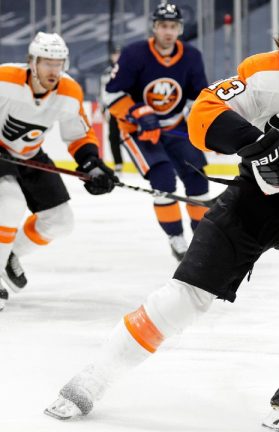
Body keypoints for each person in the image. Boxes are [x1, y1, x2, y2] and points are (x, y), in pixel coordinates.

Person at [45, 4, 279, 432]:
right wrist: (257, 143)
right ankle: (94, 376)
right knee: (184, 298)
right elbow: (203, 115)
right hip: (252, 200)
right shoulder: (262, 73)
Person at [0, 32, 116, 311]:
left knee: (60, 221)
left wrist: (92, 164)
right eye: (47, 62)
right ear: (32, 61)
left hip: (29, 156)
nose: (54, 70)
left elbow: (78, 136)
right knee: (10, 204)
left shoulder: (68, 92)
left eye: (59, 63)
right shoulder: (5, 79)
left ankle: (7, 255)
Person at [103, 2, 210, 261]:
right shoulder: (134, 54)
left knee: (198, 178)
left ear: (180, 29)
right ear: (154, 27)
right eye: (163, 26)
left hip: (175, 127)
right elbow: (112, 93)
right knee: (163, 180)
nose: (168, 32)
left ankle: (205, 237)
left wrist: (204, 123)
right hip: (138, 130)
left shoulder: (192, 56)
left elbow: (201, 96)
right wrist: (138, 112)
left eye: (173, 26)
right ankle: (176, 236)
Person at [99, 44, 124, 174]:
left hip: (127, 109)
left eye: (119, 54)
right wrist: (103, 108)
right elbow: (103, 92)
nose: (117, 56)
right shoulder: (106, 72)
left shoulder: (128, 70)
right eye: (115, 54)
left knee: (133, 137)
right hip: (113, 109)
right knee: (113, 136)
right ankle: (118, 163)